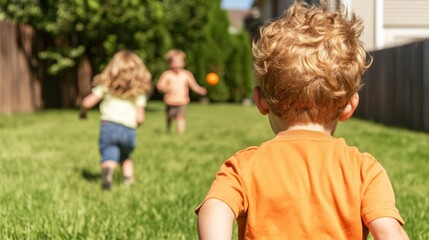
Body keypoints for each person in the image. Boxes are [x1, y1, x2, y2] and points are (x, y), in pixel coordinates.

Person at [196, 1, 409, 239]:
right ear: (350, 105)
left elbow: (214, 208)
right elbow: (389, 231)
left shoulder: (243, 166)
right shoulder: (364, 170)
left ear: (261, 101)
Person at [79, 50, 152, 190]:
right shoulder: (138, 92)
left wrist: (83, 112)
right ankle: (129, 180)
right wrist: (136, 125)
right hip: (129, 129)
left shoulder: (106, 86)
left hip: (109, 126)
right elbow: (140, 118)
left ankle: (107, 176)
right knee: (126, 155)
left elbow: (87, 102)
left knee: (109, 152)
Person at [156, 49, 207, 134]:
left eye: (179, 61)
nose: (177, 63)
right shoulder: (167, 74)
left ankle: (180, 134)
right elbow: (160, 85)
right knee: (170, 116)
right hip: (170, 101)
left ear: (183, 62)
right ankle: (168, 130)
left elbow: (193, 85)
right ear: (169, 63)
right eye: (174, 61)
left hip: (182, 101)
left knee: (181, 117)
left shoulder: (186, 74)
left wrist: (200, 90)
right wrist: (163, 88)